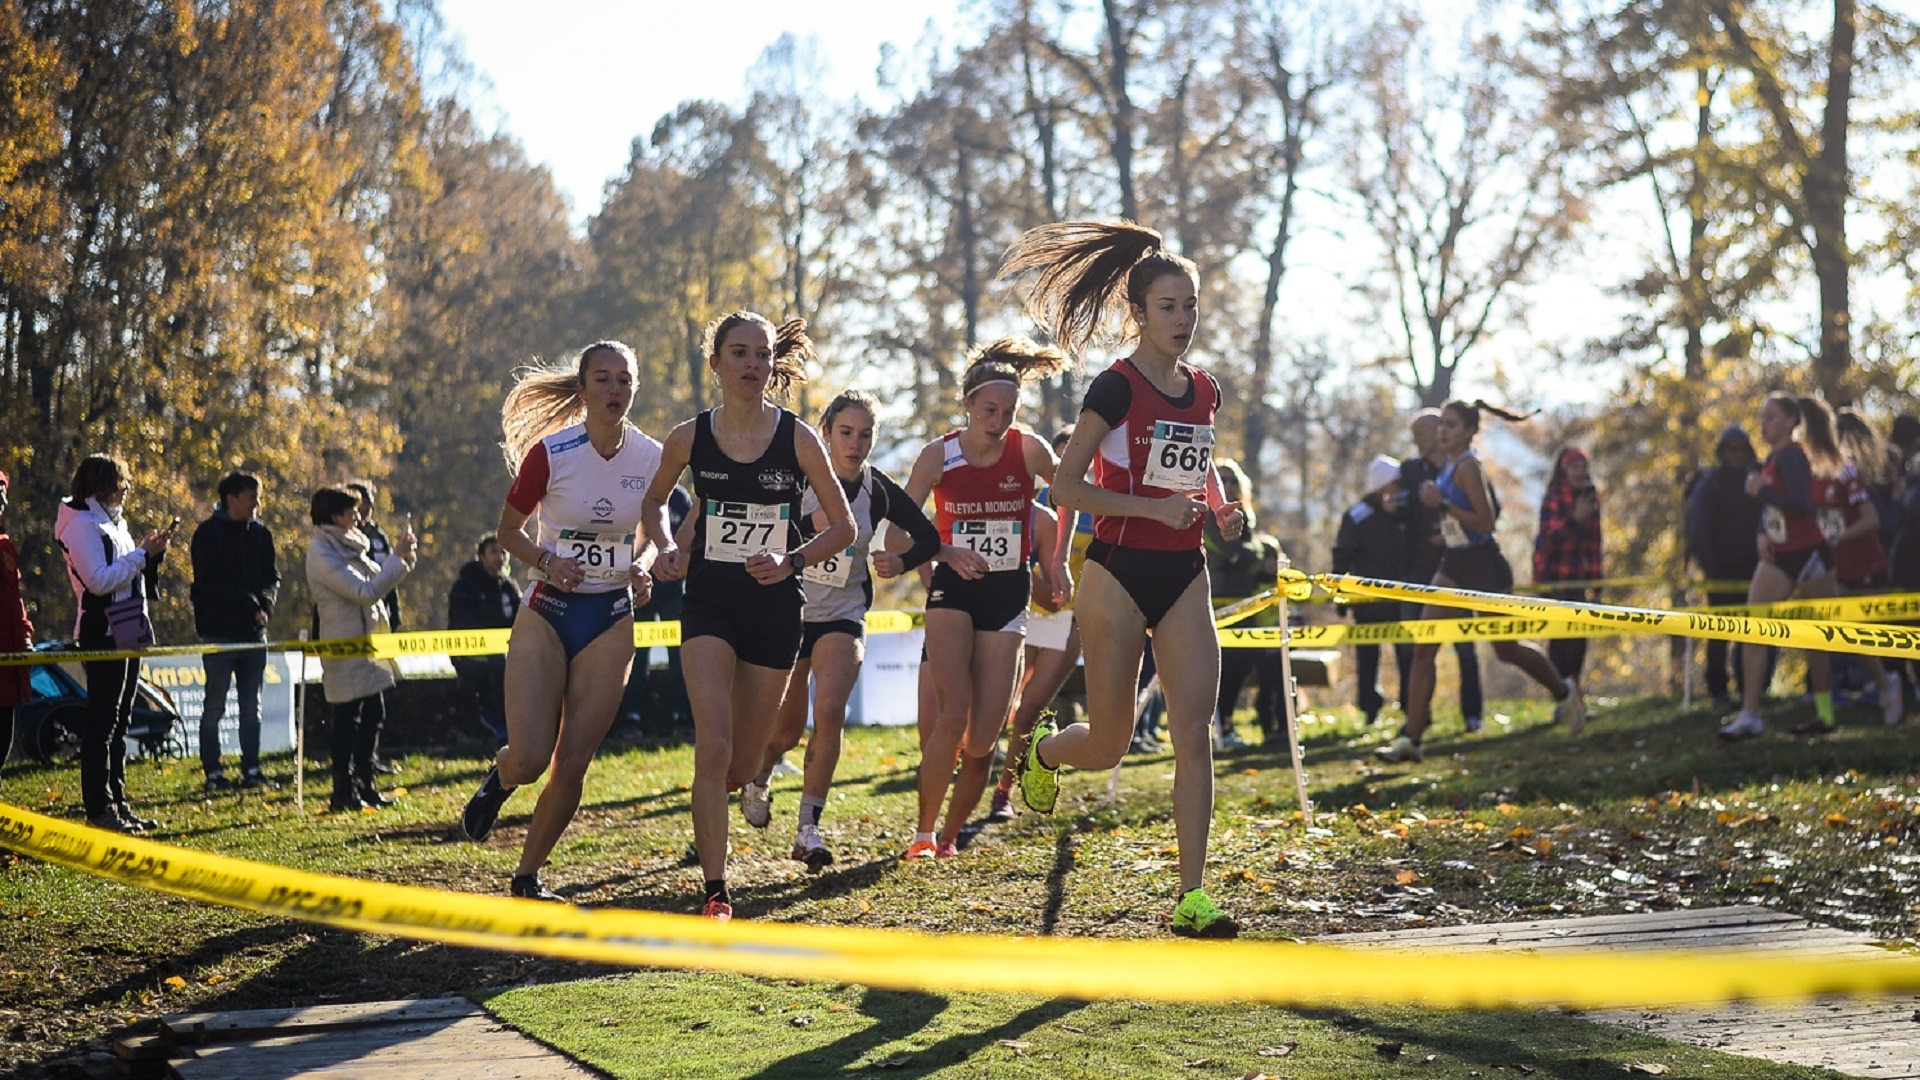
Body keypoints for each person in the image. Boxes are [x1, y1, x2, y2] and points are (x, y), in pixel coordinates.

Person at [1003, 219, 1245, 938]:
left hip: (1184, 572)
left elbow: (1194, 464)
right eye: (1169, 307)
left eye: (1191, 306)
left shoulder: (1204, 390)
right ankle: (1043, 751)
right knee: (1108, 744)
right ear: (1140, 313)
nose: (1183, 320)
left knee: (1192, 732)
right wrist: (1153, 508)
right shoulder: (1115, 387)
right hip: (1115, 574)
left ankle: (1192, 897)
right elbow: (1069, 490)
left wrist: (1223, 511)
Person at [644, 314, 854, 922]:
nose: (751, 365)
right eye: (738, 353)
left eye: (762, 355)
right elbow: (655, 500)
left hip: (774, 611)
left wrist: (792, 559)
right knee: (712, 747)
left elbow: (841, 527)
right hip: (710, 603)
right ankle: (716, 889)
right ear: (715, 363)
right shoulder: (689, 438)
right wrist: (667, 546)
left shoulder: (797, 438)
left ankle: (752, 780)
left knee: (739, 762)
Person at [457, 341, 663, 902]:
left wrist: (643, 567)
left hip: (610, 615)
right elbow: (508, 533)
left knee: (572, 763)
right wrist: (548, 561)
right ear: (583, 387)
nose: (615, 390)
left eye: (625, 380)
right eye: (603, 379)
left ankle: (526, 877)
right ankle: (498, 781)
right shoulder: (552, 452)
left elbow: (653, 535)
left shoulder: (652, 456)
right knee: (530, 756)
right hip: (548, 609)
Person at [741, 390, 942, 868]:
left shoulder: (877, 488)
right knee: (785, 730)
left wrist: (901, 560)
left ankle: (808, 828)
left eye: (865, 435)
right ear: (825, 433)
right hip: (790, 613)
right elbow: (766, 528)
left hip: (844, 615)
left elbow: (931, 536)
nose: (855, 444)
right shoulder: (800, 480)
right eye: (846, 433)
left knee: (829, 710)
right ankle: (762, 774)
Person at [897, 338, 1069, 860]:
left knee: (982, 740)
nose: (998, 420)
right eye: (989, 409)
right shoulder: (939, 454)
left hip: (1006, 593)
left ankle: (950, 836)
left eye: (1008, 411)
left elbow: (1069, 500)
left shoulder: (1029, 448)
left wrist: (1056, 561)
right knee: (951, 720)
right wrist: (944, 553)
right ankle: (924, 834)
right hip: (954, 593)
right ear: (968, 404)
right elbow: (901, 531)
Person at [1378, 400, 1584, 763]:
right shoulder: (1448, 463)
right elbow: (1460, 523)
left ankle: (1564, 692)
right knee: (1424, 648)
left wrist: (1441, 503)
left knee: (1506, 649)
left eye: (1452, 425)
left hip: (1485, 569)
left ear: (1470, 431)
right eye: (1441, 424)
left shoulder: (1469, 466)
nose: (1443, 431)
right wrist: (1446, 530)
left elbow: (1486, 522)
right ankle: (1412, 739)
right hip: (1453, 564)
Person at [56, 454, 172, 832]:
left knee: (120, 723)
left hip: (125, 629)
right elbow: (99, 581)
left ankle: (118, 803)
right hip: (100, 633)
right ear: (103, 485)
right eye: (121, 484)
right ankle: (98, 809)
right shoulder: (82, 526)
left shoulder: (112, 522)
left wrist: (150, 554)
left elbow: (127, 573)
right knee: (101, 724)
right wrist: (142, 555)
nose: (126, 491)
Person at [1719, 394, 1841, 740]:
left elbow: (1801, 505)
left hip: (1811, 557)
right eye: (1761, 417)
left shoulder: (1791, 455)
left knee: (1821, 640)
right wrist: (1761, 533)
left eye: (1770, 417)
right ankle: (1750, 714)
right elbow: (1774, 510)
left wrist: (1761, 492)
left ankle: (1833, 712)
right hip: (1780, 557)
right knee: (1753, 626)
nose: (1763, 424)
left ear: (1789, 420)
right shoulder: (1775, 457)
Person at [989, 427, 1095, 821]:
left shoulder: (1099, 505)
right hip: (1021, 607)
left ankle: (1004, 791)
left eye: (1077, 458)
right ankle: (965, 763)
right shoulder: (1031, 503)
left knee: (1032, 707)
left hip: (1068, 618)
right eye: (1061, 458)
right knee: (999, 702)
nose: (1068, 467)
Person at [308, 486, 415, 812]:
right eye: (352, 512)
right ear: (336, 517)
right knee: (346, 719)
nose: (358, 517)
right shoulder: (322, 552)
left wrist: (402, 560)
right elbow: (365, 591)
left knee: (373, 714)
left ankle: (367, 785)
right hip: (346, 647)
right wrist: (396, 560)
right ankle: (342, 789)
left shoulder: (349, 546)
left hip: (369, 645)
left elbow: (377, 581)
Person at [189, 472, 280, 792]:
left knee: (250, 706)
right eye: (252, 496)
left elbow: (272, 576)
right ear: (232, 498)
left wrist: (267, 602)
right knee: (214, 705)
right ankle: (213, 771)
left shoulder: (261, 534)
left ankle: (251, 768)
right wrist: (247, 603)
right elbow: (207, 583)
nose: (257, 503)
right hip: (220, 633)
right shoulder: (208, 535)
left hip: (255, 635)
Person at [1811, 409, 1900, 728]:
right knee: (1849, 635)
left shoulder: (1847, 473)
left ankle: (1890, 687)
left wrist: (1836, 538)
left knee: (1867, 635)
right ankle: (1884, 687)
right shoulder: (1815, 473)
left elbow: (1871, 519)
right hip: (1840, 569)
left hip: (1867, 565)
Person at [1400, 410, 1483, 730]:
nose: (1416, 442)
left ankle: (1473, 715)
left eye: (1420, 434)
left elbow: (1488, 515)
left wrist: (1448, 522)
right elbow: (1398, 510)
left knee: (1469, 647)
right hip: (1415, 573)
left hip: (1458, 569)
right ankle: (1416, 722)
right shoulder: (1409, 471)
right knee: (1416, 650)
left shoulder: (1462, 466)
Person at [1683, 426, 1764, 710]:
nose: (1737, 454)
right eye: (1732, 448)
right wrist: (1710, 565)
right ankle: (1718, 691)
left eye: (1742, 448)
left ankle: (1751, 690)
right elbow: (1699, 527)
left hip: (1754, 569)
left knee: (1753, 633)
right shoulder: (1711, 484)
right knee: (1720, 633)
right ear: (1722, 451)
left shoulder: (1756, 480)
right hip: (1720, 572)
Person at [1331, 455, 1409, 726]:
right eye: (1395, 484)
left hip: (1404, 597)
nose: (1400, 489)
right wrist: (1341, 595)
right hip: (1368, 600)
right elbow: (1342, 555)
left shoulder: (1408, 512)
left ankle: (1413, 707)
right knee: (1368, 657)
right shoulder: (1357, 516)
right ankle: (1369, 708)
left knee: (1408, 654)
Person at [1207, 458, 1272, 748]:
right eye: (1222, 479)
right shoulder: (1210, 515)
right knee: (1222, 666)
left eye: (1233, 480)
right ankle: (1218, 728)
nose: (1229, 485)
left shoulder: (1246, 515)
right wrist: (1257, 555)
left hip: (1245, 602)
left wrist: (1252, 554)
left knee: (1240, 667)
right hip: (1219, 601)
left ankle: (1228, 724)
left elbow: (1250, 552)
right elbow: (1239, 554)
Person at [1532, 447, 1603, 699]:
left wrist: (1597, 583)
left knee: (1578, 640)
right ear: (1564, 470)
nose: (1580, 472)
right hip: (1553, 578)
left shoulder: (1591, 499)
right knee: (1560, 641)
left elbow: (1595, 543)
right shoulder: (1553, 498)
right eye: (1575, 467)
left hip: (1578, 578)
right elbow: (1548, 540)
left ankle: (1575, 692)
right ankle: (1560, 695)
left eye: (1584, 466)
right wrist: (1574, 519)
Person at [447, 533, 519, 743]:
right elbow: (462, 622)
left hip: (506, 654)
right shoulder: (466, 586)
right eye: (494, 552)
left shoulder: (509, 586)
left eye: (503, 552)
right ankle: (496, 723)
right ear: (481, 556)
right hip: (472, 656)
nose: (500, 557)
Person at [0, 470, 33, 768]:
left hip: (9, 658)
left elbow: (15, 598)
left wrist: (25, 632)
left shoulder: (5, 544)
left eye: (2, 494)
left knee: (3, 741)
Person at [345, 481, 402, 631]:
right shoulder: (341, 537)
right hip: (351, 610)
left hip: (378, 607)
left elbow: (389, 572)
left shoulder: (379, 537)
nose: (365, 512)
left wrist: (395, 610)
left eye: (369, 507)